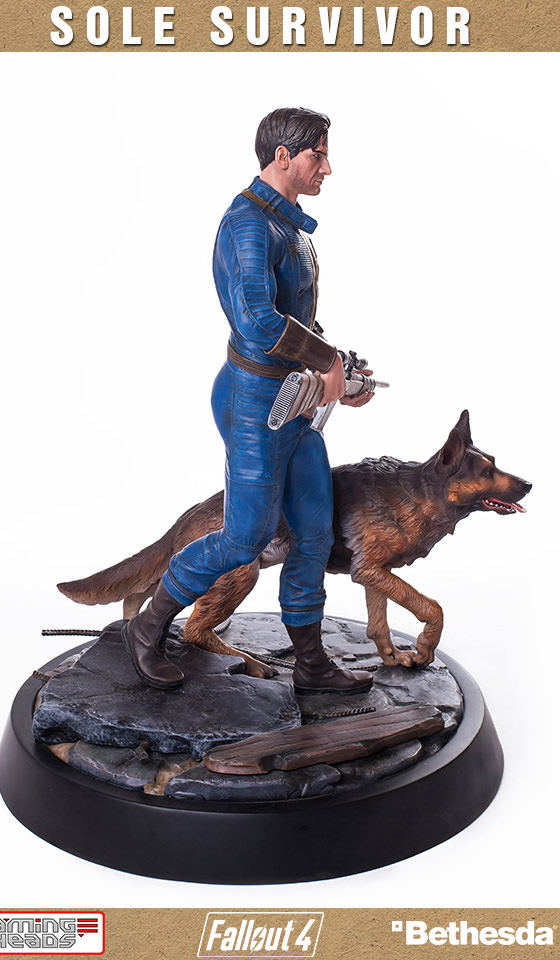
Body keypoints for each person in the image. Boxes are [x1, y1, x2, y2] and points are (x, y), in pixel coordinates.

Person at [122, 107, 374, 694]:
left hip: (295, 398)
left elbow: (296, 316)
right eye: (317, 155)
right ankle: (148, 627)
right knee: (245, 538)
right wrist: (326, 362)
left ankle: (310, 662)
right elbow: (258, 321)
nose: (327, 168)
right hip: (254, 399)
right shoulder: (247, 225)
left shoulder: (286, 225)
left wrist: (343, 368)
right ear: (282, 156)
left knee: (314, 530)